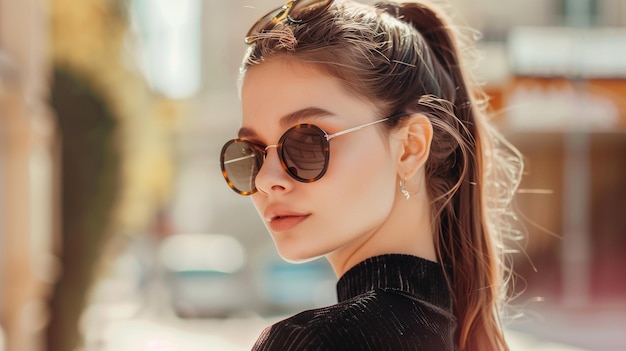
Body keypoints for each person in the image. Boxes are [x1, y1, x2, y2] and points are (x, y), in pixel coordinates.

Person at [219, 0, 523, 349]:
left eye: (306, 142)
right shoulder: (464, 337)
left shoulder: (313, 342)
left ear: (410, 147)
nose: (264, 179)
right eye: (250, 153)